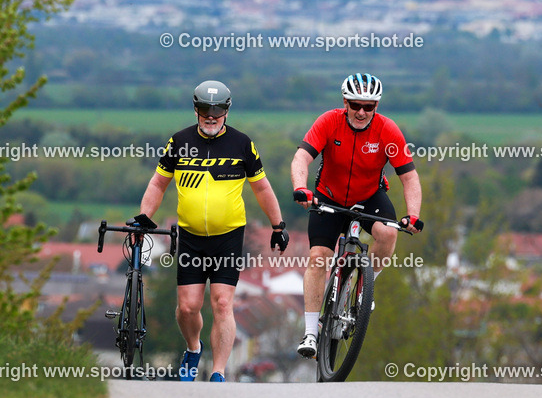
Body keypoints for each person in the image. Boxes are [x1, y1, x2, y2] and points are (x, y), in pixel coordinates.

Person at [133, 80, 288, 382]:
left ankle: (218, 371)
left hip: (228, 237)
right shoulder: (178, 142)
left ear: (227, 111)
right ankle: (193, 349)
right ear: (196, 109)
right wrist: (143, 217)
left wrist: (278, 225)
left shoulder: (242, 144)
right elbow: (157, 184)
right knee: (187, 308)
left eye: (218, 111)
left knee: (222, 302)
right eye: (205, 110)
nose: (211, 117)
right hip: (190, 237)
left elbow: (262, 187)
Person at [289, 72, 423, 358]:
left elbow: (409, 178)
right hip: (329, 196)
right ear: (345, 102)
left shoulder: (387, 130)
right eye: (355, 105)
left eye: (369, 107)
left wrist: (412, 216)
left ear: (376, 107)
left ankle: (366, 286)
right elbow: (302, 157)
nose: (362, 112)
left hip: (369, 196)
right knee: (319, 257)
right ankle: (311, 332)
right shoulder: (328, 122)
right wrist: (301, 188)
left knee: (387, 232)